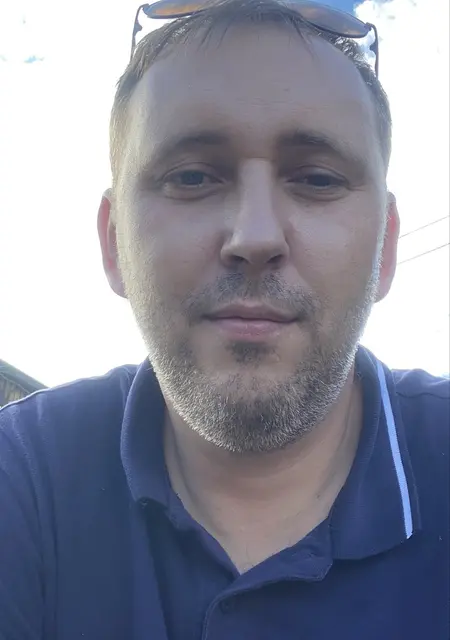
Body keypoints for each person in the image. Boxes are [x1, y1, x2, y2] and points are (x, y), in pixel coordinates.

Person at [0, 0, 448, 638]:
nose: (255, 236)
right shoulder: (22, 477)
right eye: (191, 177)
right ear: (114, 242)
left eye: (318, 179)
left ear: (385, 249)